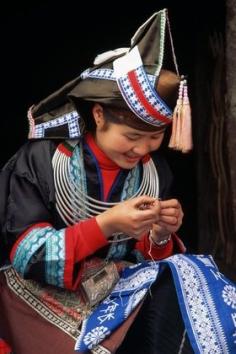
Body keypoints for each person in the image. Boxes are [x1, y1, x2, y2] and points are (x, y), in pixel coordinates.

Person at [0, 8, 235, 354]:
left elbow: (143, 258)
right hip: (40, 296)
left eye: (155, 138)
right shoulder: (41, 161)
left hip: (116, 293)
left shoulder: (154, 173)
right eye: (131, 136)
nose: (143, 149)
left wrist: (160, 236)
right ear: (98, 115)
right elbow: (26, 254)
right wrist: (105, 224)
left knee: (187, 277)